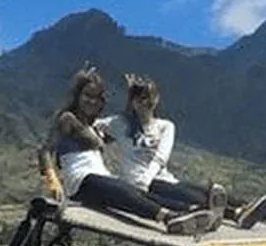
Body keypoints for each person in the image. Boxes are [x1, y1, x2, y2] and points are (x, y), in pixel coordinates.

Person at [97, 73, 266, 233]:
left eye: (151, 97)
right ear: (133, 102)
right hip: (140, 183)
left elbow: (162, 156)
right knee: (194, 197)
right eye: (142, 98)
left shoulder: (165, 126)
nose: (147, 102)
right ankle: (239, 214)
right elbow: (90, 126)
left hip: (159, 177)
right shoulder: (118, 123)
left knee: (209, 191)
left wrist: (149, 176)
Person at [37, 66, 221, 235]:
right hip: (80, 180)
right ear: (77, 95)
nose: (91, 101)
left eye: (96, 97)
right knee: (124, 192)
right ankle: (168, 218)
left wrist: (136, 95)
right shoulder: (67, 119)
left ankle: (189, 212)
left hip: (101, 178)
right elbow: (45, 150)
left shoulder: (93, 127)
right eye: (87, 95)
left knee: (137, 193)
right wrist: (52, 180)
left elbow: (127, 130)